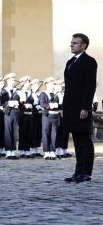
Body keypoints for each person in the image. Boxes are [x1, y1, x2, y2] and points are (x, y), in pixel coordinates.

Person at [62, 33, 97, 183]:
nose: (71, 45)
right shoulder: (70, 62)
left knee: (85, 140)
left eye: (75, 43)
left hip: (81, 108)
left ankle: (86, 172)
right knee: (76, 140)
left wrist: (85, 108)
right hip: (70, 107)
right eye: (71, 42)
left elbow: (89, 87)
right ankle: (78, 172)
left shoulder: (89, 61)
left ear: (83, 46)